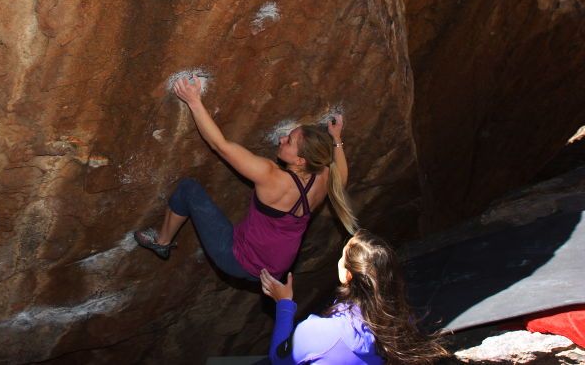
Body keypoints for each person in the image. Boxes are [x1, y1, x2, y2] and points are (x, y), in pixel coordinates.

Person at [133, 73, 358, 281]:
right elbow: (343, 179)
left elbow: (220, 146)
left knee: (188, 189)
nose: (282, 139)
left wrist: (193, 101)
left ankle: (162, 241)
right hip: (275, 272)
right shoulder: (322, 177)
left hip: (238, 262)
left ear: (301, 161)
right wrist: (336, 138)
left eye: (288, 141)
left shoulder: (273, 177)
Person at [260, 230, 448, 364]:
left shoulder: (317, 332)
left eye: (342, 257)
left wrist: (284, 304)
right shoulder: (401, 321)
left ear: (347, 275)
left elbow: (279, 358)